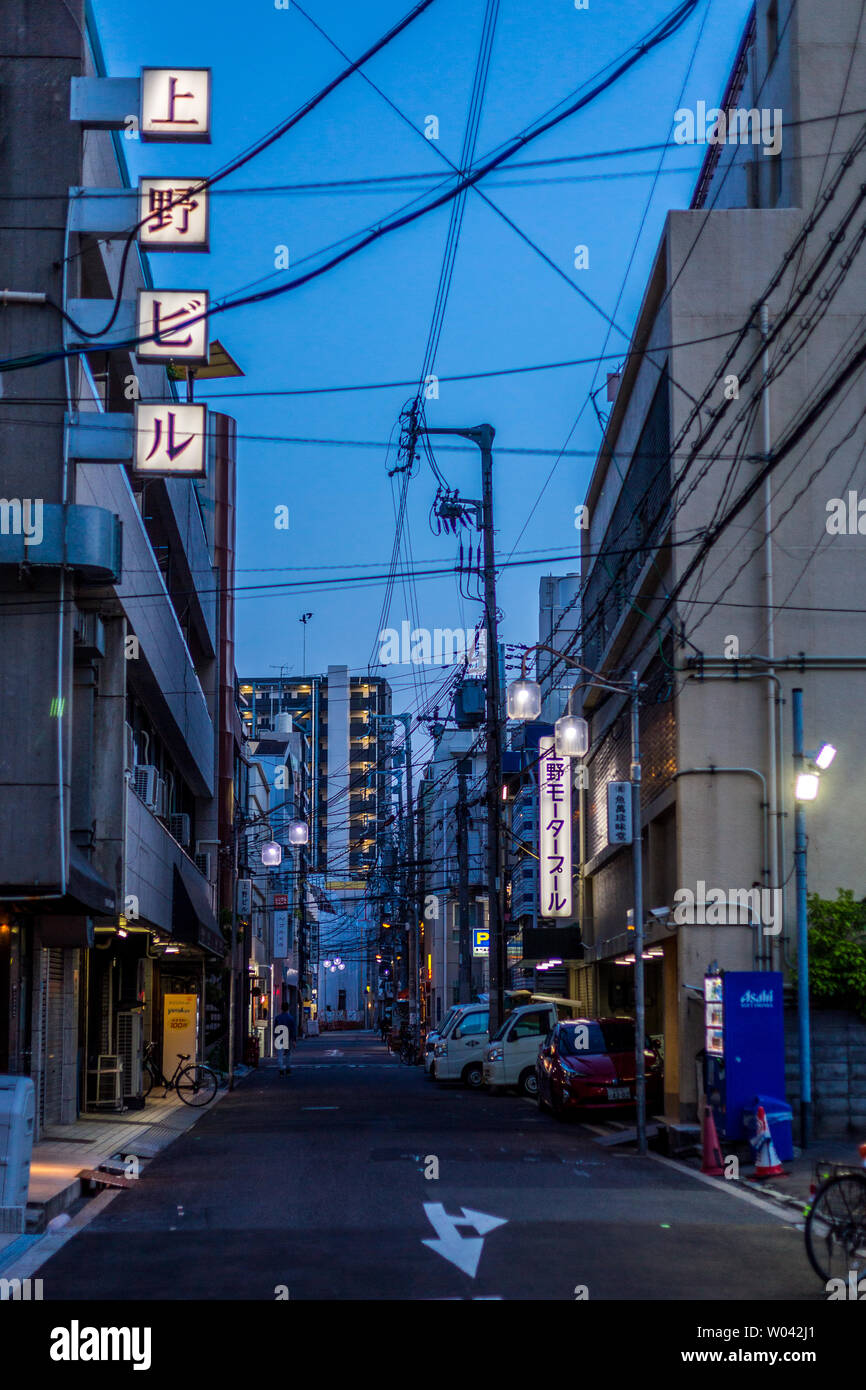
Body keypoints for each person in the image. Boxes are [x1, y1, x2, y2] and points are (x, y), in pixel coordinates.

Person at [273, 1005, 297, 1075]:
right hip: (287, 1037)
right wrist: (294, 1040)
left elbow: (275, 1029)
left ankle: (281, 1069)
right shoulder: (290, 1018)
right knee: (288, 1054)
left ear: (281, 1009)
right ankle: (288, 1068)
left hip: (279, 1037)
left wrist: (275, 1037)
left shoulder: (278, 1018)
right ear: (288, 1009)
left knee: (280, 1054)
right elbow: (293, 1030)